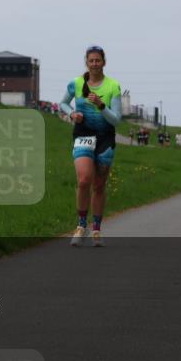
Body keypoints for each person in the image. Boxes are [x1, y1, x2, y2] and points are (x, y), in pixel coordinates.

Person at [59, 46, 122, 247]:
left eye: (98, 60)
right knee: (84, 179)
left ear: (104, 62)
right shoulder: (76, 84)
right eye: (91, 60)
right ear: (86, 62)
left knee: (99, 185)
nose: (94, 64)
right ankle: (80, 225)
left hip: (105, 138)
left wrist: (101, 105)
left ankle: (96, 228)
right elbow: (63, 104)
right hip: (83, 135)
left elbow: (116, 120)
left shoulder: (113, 86)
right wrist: (72, 114)